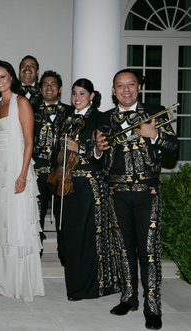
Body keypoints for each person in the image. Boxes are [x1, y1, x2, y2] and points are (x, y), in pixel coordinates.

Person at [95, 69, 177, 330]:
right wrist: (98, 148)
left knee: (149, 251)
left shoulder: (156, 111)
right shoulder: (104, 118)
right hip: (116, 193)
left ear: (139, 87)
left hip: (147, 194)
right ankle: (128, 297)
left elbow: (175, 147)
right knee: (123, 248)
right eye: (120, 86)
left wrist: (153, 135)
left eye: (131, 84)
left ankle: (152, 306)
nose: (126, 89)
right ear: (113, 90)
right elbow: (95, 154)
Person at [53, 78, 129, 301]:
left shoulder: (100, 118)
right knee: (69, 237)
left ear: (92, 96)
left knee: (87, 238)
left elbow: (104, 151)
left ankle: (86, 289)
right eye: (74, 93)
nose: (77, 98)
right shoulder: (66, 119)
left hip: (89, 187)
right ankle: (75, 284)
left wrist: (82, 147)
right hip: (66, 184)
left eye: (82, 94)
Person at [0, 60, 45, 301]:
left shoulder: (21, 102)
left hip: (16, 171)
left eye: (3, 77)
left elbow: (29, 141)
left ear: (11, 77)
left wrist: (22, 175)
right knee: (1, 223)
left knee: (15, 224)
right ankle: (1, 278)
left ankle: (15, 282)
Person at [32, 70, 71, 258]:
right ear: (40, 89)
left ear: (60, 88)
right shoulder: (30, 111)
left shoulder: (71, 112)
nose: (49, 87)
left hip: (63, 172)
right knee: (35, 214)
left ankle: (65, 252)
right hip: (37, 171)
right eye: (45, 84)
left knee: (63, 215)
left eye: (53, 84)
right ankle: (35, 252)